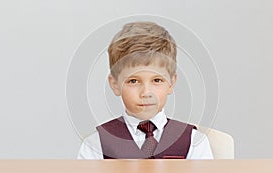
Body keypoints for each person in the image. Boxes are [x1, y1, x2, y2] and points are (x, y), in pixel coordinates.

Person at [77, 21, 213, 159]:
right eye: (133, 81)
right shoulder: (96, 145)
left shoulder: (193, 142)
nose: (146, 92)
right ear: (115, 84)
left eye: (157, 80)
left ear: (171, 83)